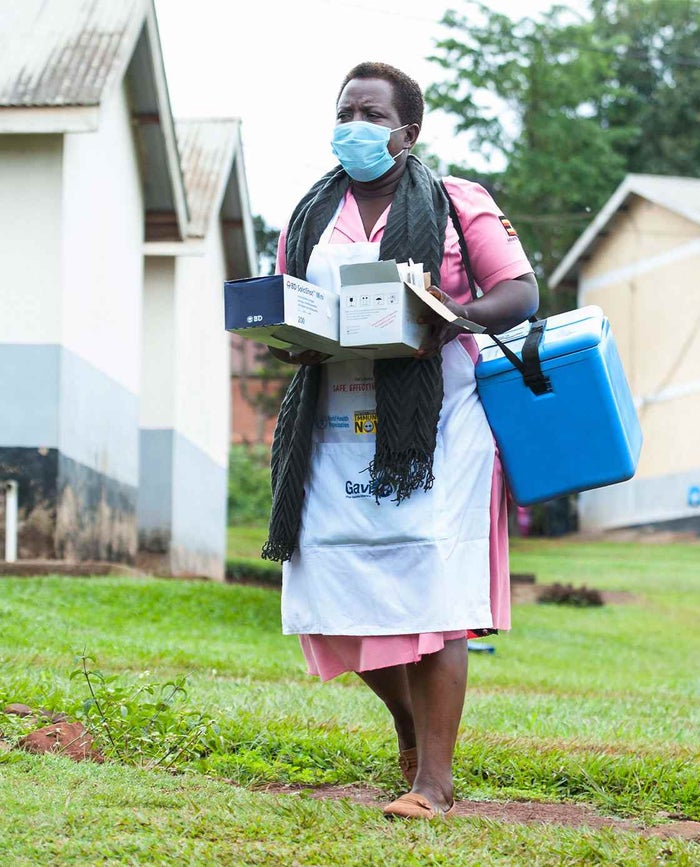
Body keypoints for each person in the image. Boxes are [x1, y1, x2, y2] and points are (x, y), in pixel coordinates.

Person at [263, 62, 539, 820]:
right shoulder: (308, 213)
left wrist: (450, 314)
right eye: (345, 108)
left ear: (406, 132)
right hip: (336, 422)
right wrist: (297, 340)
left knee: (435, 592)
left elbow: (520, 291)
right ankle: (409, 720)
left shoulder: (456, 202)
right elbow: (290, 298)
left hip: (440, 425)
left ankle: (434, 783)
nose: (354, 123)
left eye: (371, 112)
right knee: (323, 587)